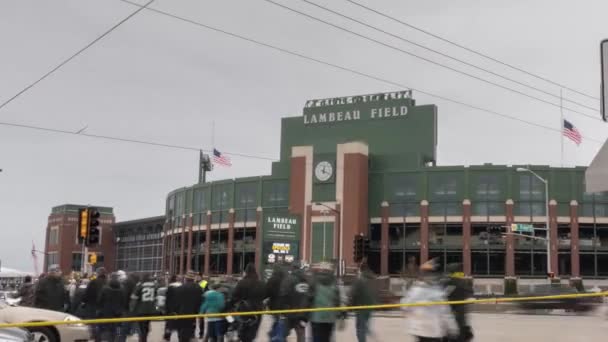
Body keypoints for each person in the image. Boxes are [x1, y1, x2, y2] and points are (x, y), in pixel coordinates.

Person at [402, 259, 459, 342]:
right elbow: (445, 312)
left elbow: (405, 307)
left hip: (419, 330)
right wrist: (453, 328)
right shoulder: (437, 292)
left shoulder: (415, 290)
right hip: (432, 331)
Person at [309, 262, 344, 342]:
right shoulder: (334, 283)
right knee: (327, 338)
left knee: (316, 339)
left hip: (316, 317)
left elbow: (309, 299)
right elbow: (337, 301)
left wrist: (304, 316)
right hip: (330, 318)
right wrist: (339, 314)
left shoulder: (314, 281)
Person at [231, 263, 266, 342]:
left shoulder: (242, 282)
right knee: (252, 333)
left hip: (244, 311)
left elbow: (234, 296)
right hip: (257, 311)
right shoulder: (261, 283)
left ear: (246, 272)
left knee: (243, 332)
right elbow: (265, 295)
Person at [278, 263, 313, 342]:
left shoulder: (288, 279)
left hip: (289, 312)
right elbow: (310, 297)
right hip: (302, 314)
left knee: (283, 334)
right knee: (301, 334)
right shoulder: (307, 281)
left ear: (293, 269)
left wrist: (282, 310)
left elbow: (283, 295)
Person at [441, 263, 474, 342]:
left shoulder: (451, 281)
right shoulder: (460, 282)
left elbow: (443, 295)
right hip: (456, 314)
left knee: (454, 334)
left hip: (455, 314)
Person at [349, 262, 378, 342]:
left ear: (360, 269)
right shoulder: (373, 278)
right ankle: (368, 331)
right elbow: (376, 292)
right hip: (370, 308)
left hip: (361, 307)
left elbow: (353, 293)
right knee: (364, 326)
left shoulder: (359, 279)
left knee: (360, 329)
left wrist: (350, 306)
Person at [96, 273, 126, 342]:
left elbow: (100, 300)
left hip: (107, 312)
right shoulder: (122, 290)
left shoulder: (105, 289)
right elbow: (123, 301)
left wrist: (100, 308)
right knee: (116, 328)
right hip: (118, 312)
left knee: (108, 328)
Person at [176, 271, 203, 342]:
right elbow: (200, 301)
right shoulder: (198, 288)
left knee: (182, 331)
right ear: (194, 279)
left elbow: (176, 302)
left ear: (186, 278)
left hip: (181, 313)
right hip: (193, 313)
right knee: (191, 331)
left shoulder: (180, 288)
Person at [129, 274, 158, 342]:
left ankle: (143, 339)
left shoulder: (140, 286)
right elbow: (156, 297)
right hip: (151, 310)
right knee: (146, 325)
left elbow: (133, 297)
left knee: (142, 327)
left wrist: (132, 308)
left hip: (141, 309)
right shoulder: (154, 286)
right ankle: (144, 339)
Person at [265, 264, 287, 340]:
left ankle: (273, 334)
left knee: (277, 320)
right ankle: (276, 335)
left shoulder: (272, 279)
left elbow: (267, 292)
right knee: (280, 321)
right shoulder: (286, 279)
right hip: (284, 305)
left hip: (274, 304)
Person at [163, 275, 182, 341]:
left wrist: (166, 309)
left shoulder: (170, 287)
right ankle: (180, 337)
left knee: (169, 324)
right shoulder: (182, 287)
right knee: (180, 324)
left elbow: (167, 299)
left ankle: (167, 336)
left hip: (171, 308)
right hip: (180, 309)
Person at [198, 275, 209, 340]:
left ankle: (201, 334)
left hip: (203, 304)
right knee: (201, 320)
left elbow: (201, 291)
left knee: (202, 320)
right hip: (202, 304)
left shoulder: (204, 282)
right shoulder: (201, 283)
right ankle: (201, 334)